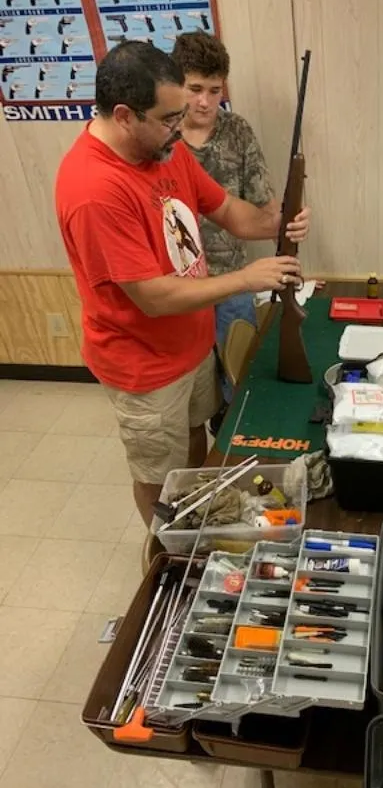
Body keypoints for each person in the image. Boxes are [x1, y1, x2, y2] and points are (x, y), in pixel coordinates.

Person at [55, 41, 310, 528]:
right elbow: (152, 296)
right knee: (160, 476)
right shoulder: (92, 189)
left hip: (191, 346)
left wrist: (279, 223)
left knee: (195, 444)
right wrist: (245, 277)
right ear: (127, 116)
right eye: (171, 117)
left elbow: (229, 212)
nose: (184, 124)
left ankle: (196, 523)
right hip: (144, 366)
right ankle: (163, 554)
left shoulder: (165, 150)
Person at [170, 31, 278, 400]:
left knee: (240, 382)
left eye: (214, 91)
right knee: (192, 396)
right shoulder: (159, 138)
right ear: (174, 84)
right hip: (179, 290)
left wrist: (286, 222)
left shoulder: (237, 131)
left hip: (234, 281)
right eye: (194, 88)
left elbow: (267, 206)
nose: (204, 101)